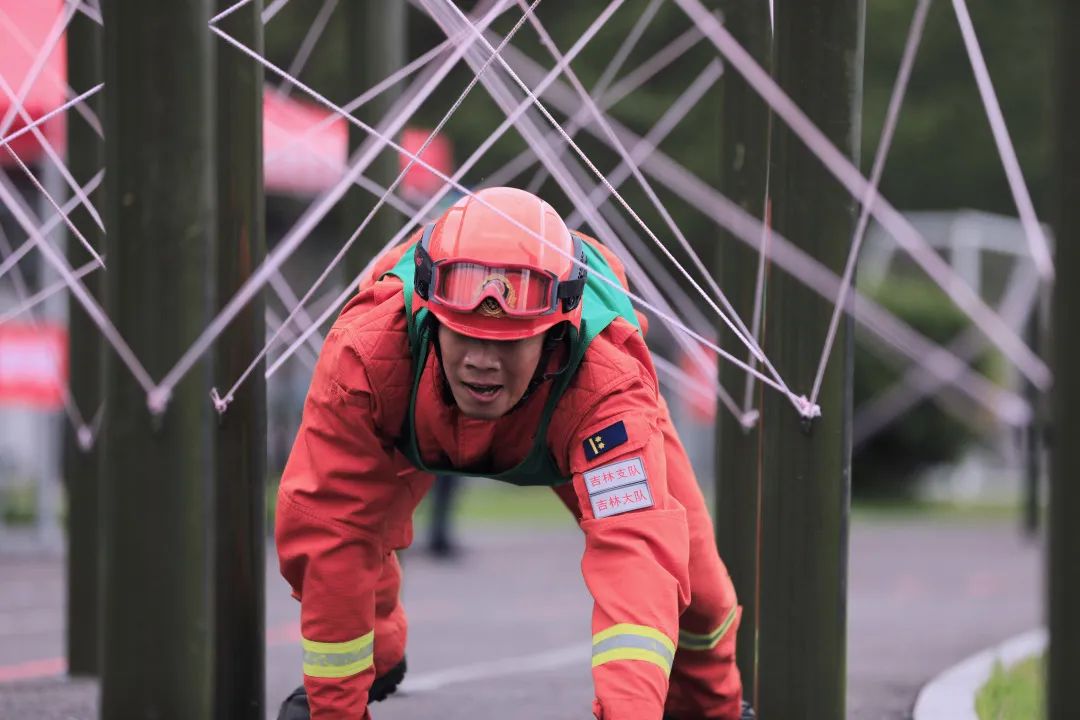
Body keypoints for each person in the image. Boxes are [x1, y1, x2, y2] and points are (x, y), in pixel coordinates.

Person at [275, 187, 753, 720]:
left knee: (701, 594)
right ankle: (379, 657)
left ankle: (715, 710)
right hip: (416, 421)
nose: (482, 361)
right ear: (432, 318)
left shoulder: (608, 384)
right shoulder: (367, 351)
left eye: (508, 342)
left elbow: (636, 563)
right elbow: (329, 533)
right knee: (345, 549)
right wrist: (334, 712)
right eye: (464, 334)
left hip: (569, 427)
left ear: (556, 333)